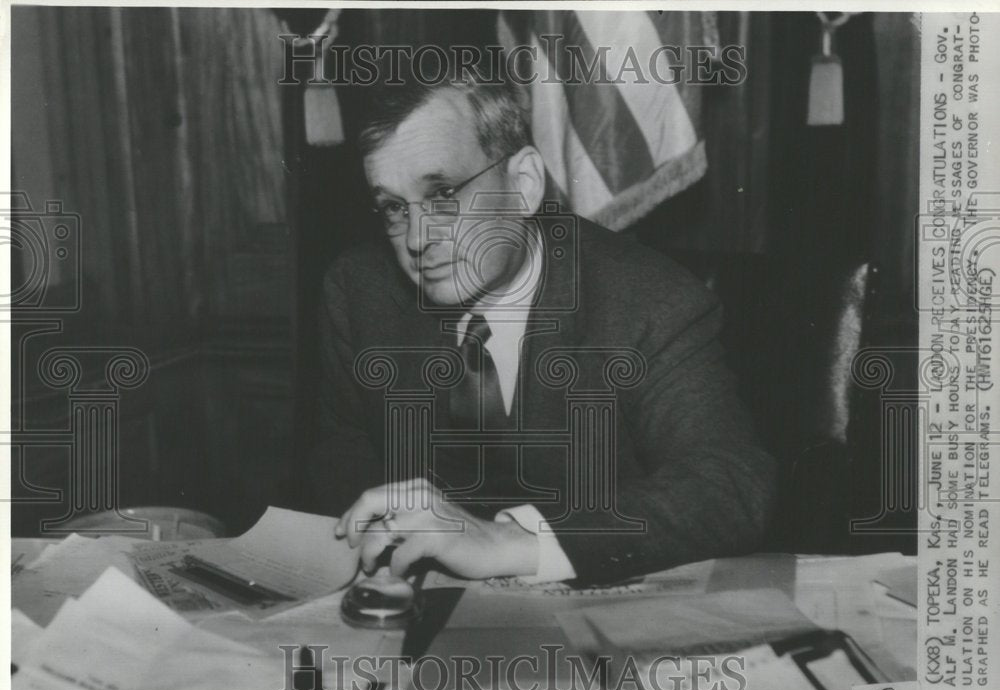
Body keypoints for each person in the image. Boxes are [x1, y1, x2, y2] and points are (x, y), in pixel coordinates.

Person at [311, 71, 775, 585]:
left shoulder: (648, 302)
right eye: (395, 208)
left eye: (442, 193)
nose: (417, 239)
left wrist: (510, 542)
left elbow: (730, 486)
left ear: (524, 184)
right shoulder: (360, 291)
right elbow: (340, 464)